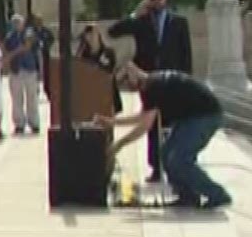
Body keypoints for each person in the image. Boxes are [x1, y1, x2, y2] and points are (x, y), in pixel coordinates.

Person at [97, 64, 231, 209]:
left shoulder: (153, 87)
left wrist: (119, 144)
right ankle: (187, 196)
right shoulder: (151, 85)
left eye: (126, 83)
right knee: (166, 154)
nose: (127, 88)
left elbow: (144, 125)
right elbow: (143, 117)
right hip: (189, 117)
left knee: (179, 159)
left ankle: (217, 194)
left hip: (204, 116)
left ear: (133, 77)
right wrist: (112, 122)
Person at [109, 0, 193, 183]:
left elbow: (186, 54)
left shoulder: (179, 22)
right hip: (148, 80)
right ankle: (156, 167)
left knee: (172, 124)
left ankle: (175, 164)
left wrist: (186, 80)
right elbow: (114, 31)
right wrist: (134, 14)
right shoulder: (141, 22)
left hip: (173, 79)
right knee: (151, 123)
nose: (156, 3)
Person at [1, 13, 42, 135]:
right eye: (14, 23)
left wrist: (40, 71)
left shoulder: (29, 33)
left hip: (29, 69)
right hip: (16, 70)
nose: (16, 25)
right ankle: (19, 124)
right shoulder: (10, 37)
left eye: (18, 22)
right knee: (17, 99)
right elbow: (5, 52)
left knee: (32, 98)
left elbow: (30, 48)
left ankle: (34, 123)